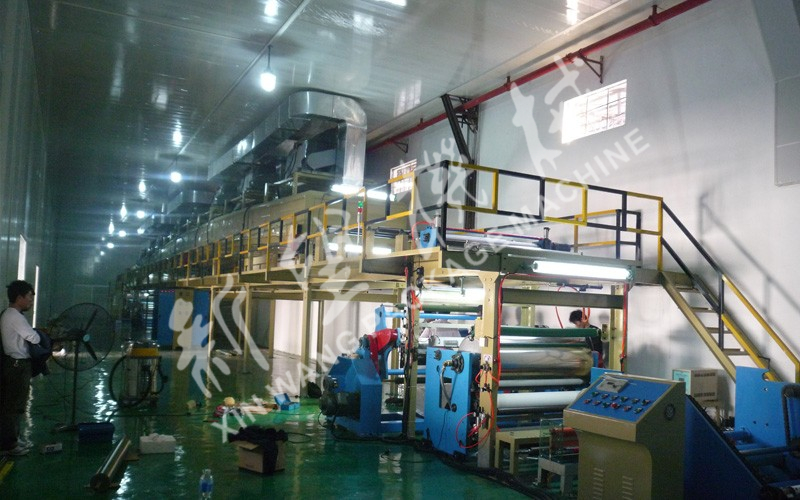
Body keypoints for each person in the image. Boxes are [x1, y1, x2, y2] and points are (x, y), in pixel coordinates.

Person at [0, 280, 40, 456]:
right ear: (19, 298)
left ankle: (13, 438)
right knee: (12, 406)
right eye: (29, 297)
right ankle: (8, 445)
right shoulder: (15, 317)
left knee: (14, 405)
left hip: (13, 364)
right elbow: (34, 338)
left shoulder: (8, 314)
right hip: (17, 366)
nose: (31, 301)